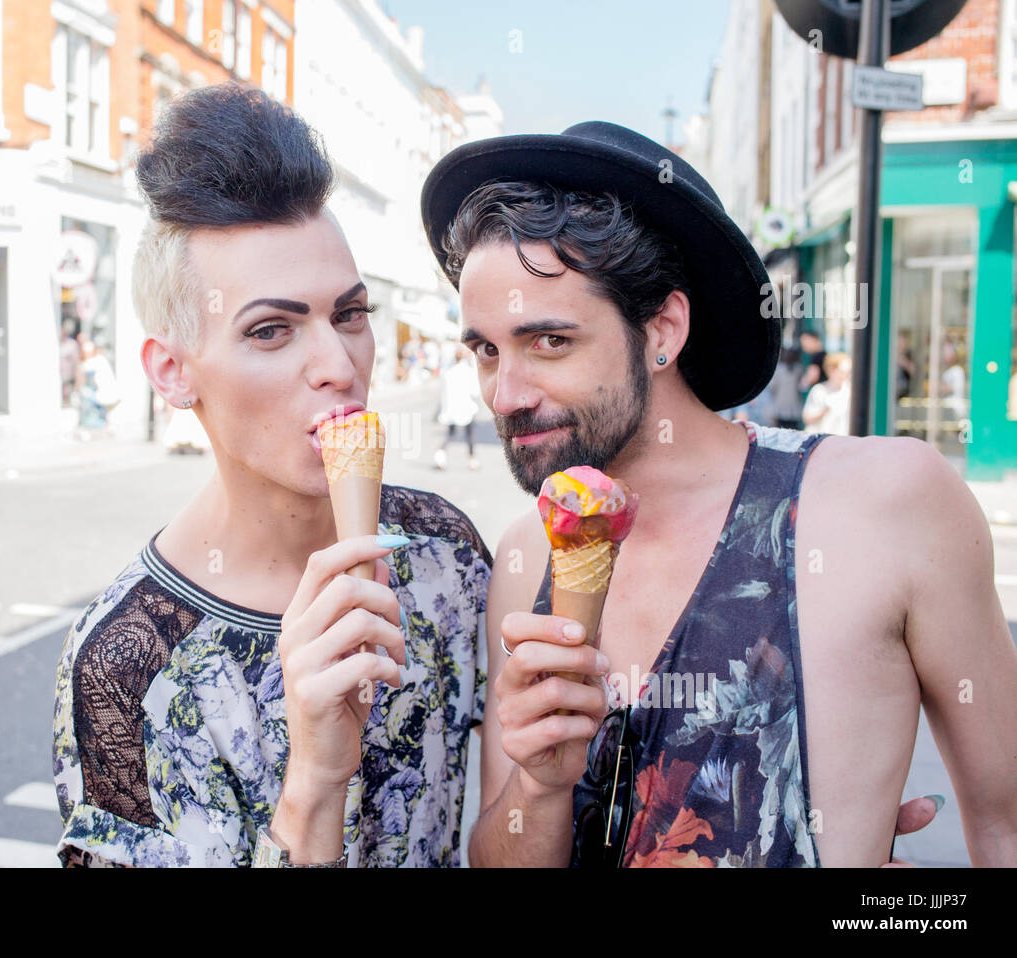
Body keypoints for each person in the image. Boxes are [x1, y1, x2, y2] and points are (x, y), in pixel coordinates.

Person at [419, 120, 1016, 867]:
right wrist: (539, 789)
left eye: (548, 342)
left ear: (663, 329)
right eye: (484, 350)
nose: (504, 395)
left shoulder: (884, 504)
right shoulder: (523, 555)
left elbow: (1005, 828)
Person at [52, 83, 490, 867]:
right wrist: (315, 782)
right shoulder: (126, 665)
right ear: (173, 373)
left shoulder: (445, 552)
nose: (337, 364)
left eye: (349, 315)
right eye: (270, 330)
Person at [433, 342, 482, 470]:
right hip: (466, 407)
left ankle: (440, 455)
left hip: (451, 408)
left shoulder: (447, 371)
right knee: (470, 434)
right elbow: (475, 391)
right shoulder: (468, 370)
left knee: (450, 433)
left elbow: (443, 392)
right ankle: (472, 459)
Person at [802, 351, 852, 435]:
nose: (846, 375)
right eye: (842, 372)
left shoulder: (849, 391)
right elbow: (807, 418)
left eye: (849, 372)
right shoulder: (819, 391)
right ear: (832, 371)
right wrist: (824, 410)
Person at [77, 337, 118, 433]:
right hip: (99, 394)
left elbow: (84, 369)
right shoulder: (97, 360)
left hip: (102, 393)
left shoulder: (96, 361)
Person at [767, 346, 804, 429]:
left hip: (794, 409)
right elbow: (772, 386)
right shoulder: (779, 369)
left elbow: (802, 386)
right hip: (780, 408)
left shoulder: (798, 369)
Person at [798, 329, 827, 401]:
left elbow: (812, 376)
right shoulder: (823, 354)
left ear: (813, 339)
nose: (803, 346)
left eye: (805, 341)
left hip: (820, 395)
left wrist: (803, 383)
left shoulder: (816, 357)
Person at [58, 321, 80, 407]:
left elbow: (76, 363)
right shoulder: (57, 344)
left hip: (68, 379)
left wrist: (77, 383)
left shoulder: (72, 344)